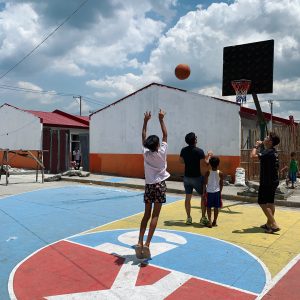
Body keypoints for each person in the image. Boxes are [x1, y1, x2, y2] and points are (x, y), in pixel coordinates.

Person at [135, 109, 169, 259]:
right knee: (155, 215)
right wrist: (161, 119)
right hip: (160, 186)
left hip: (149, 186)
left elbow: (143, 136)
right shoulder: (162, 151)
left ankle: (139, 242)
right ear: (157, 145)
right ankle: (147, 244)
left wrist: (145, 121)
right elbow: (165, 135)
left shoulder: (145, 153)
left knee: (146, 214)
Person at [250, 132, 280, 234]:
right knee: (270, 202)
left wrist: (256, 146)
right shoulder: (274, 152)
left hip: (267, 182)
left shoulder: (268, 152)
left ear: (270, 142)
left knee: (262, 202)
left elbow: (253, 156)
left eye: (267, 137)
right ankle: (268, 224)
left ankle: (274, 224)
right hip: (274, 180)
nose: (265, 138)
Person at [180, 132, 212, 225]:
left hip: (186, 177)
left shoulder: (183, 150)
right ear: (195, 140)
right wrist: (209, 155)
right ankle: (203, 218)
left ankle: (188, 218)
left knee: (187, 198)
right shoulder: (199, 151)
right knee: (203, 197)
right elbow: (205, 164)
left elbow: (181, 161)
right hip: (197, 177)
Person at [203, 156, 223, 228]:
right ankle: (215, 221)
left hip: (209, 192)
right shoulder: (220, 173)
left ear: (210, 164)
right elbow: (221, 184)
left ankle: (210, 221)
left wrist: (203, 192)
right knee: (216, 207)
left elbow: (204, 183)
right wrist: (220, 191)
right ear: (218, 164)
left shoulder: (207, 172)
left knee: (208, 207)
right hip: (217, 192)